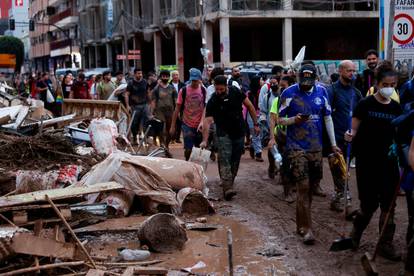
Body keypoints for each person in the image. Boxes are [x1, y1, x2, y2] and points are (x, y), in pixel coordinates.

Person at [344, 61, 403, 260]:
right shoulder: (365, 105)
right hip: (367, 164)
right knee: (368, 206)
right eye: (386, 84)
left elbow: (400, 135)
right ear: (377, 84)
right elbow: (353, 130)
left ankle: (385, 243)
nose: (389, 88)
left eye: (393, 85)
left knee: (389, 206)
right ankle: (355, 235)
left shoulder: (397, 108)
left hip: (389, 164)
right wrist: (349, 136)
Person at [278, 64, 340, 244]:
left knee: (311, 187)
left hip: (316, 147)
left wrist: (333, 144)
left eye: (308, 81)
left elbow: (327, 117)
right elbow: (279, 119)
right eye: (302, 81)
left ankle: (302, 222)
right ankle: (306, 228)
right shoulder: (289, 93)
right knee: (303, 186)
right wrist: (294, 120)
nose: (305, 85)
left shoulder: (322, 92)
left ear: (314, 79)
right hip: (296, 147)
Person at [200, 75, 260, 200]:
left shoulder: (236, 92)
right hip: (223, 133)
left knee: (235, 159)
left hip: (239, 131)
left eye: (221, 89)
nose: (219, 92)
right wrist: (205, 140)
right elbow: (207, 121)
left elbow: (249, 106)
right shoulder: (213, 100)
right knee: (224, 158)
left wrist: (255, 124)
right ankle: (227, 188)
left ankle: (229, 182)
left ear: (226, 86)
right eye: (217, 89)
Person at [327, 60, 363, 212]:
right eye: (349, 70)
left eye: (354, 71)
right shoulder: (331, 91)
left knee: (344, 170)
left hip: (353, 138)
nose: (352, 74)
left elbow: (361, 114)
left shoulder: (356, 93)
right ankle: (347, 203)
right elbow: (326, 115)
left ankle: (337, 198)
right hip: (336, 138)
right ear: (340, 71)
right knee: (340, 168)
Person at [170, 68, 206, 161]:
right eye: (192, 80)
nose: (194, 82)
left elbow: (206, 108)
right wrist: (172, 126)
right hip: (187, 124)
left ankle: (198, 169)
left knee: (199, 150)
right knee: (188, 149)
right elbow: (177, 109)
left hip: (200, 124)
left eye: (196, 80)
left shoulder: (203, 90)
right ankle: (188, 163)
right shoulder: (184, 90)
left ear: (200, 79)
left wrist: (203, 121)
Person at [150, 70, 177, 149]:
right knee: (160, 129)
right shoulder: (157, 88)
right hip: (159, 112)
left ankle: (167, 145)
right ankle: (162, 144)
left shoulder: (172, 88)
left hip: (170, 111)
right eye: (163, 76)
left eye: (167, 76)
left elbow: (176, 101)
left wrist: (177, 112)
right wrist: (152, 112)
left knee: (170, 130)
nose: (165, 77)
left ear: (169, 77)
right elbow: (153, 101)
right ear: (161, 77)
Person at [125, 68, 150, 145]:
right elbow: (126, 94)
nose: (140, 75)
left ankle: (145, 138)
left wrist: (150, 103)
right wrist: (127, 105)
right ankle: (135, 138)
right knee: (134, 123)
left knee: (146, 121)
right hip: (134, 106)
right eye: (138, 73)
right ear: (135, 74)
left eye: (141, 73)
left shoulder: (145, 82)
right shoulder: (131, 83)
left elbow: (148, 92)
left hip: (144, 105)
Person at [247, 75, 264, 162]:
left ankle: (253, 147)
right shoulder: (249, 93)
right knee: (255, 134)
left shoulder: (264, 91)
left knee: (260, 134)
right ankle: (258, 154)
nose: (262, 81)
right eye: (261, 80)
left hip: (261, 114)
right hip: (251, 115)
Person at [170, 70, 185, 143]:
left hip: (181, 106)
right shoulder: (169, 85)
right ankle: (172, 138)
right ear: (172, 76)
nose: (175, 76)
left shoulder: (183, 85)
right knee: (173, 122)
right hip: (172, 106)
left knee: (179, 123)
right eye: (174, 75)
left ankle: (178, 138)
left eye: (177, 75)